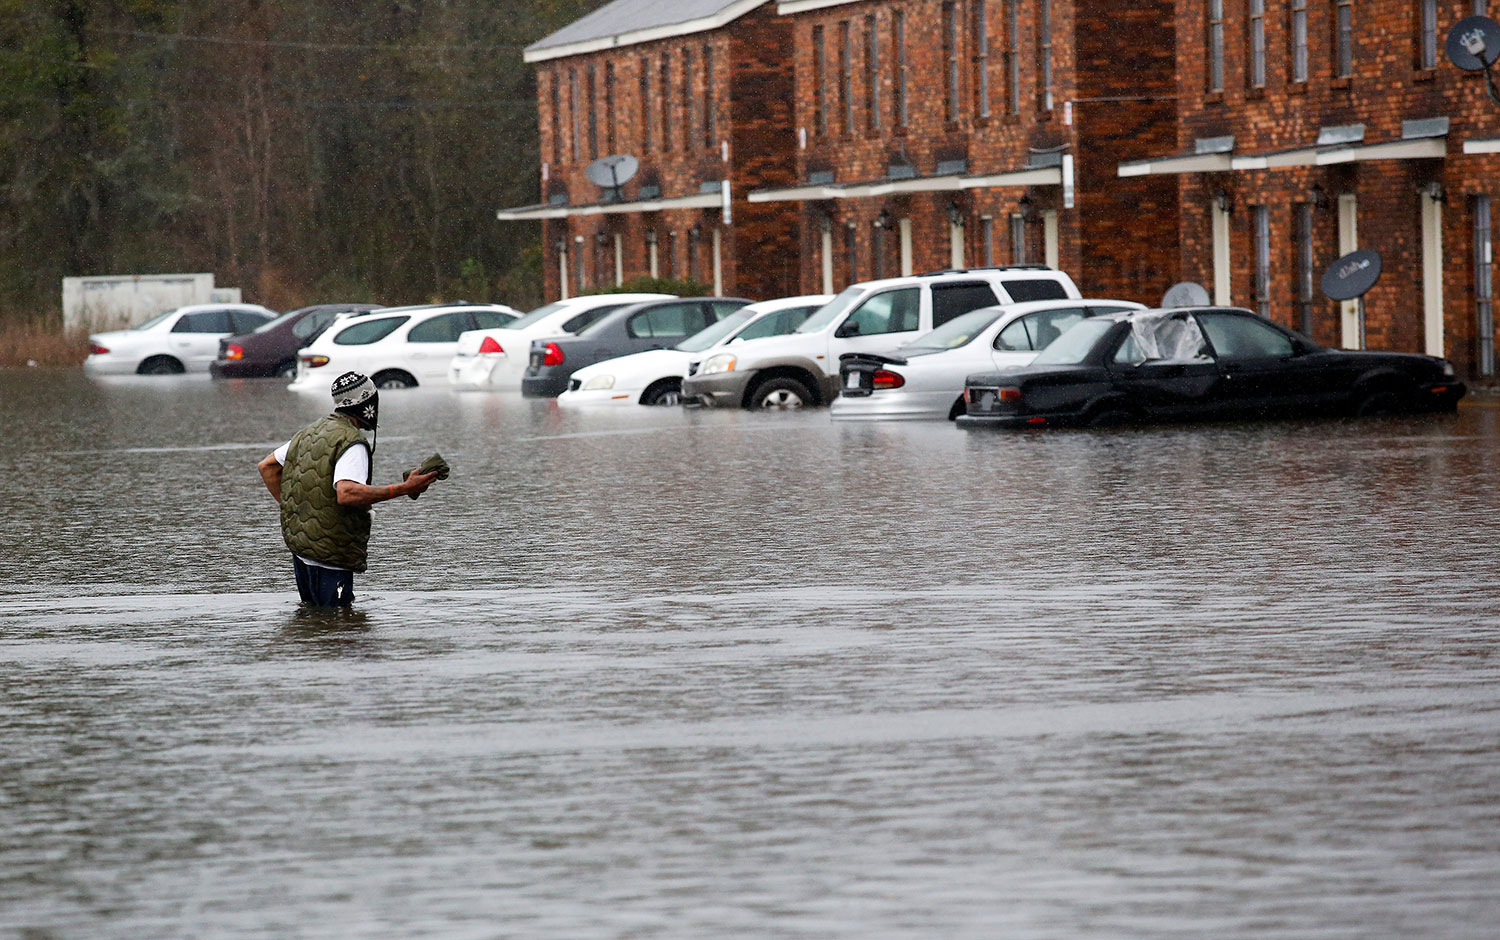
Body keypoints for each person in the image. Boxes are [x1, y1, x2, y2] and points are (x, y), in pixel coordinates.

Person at [257, 371, 438, 607]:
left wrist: (300, 512)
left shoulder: (309, 432)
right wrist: (403, 488)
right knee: (340, 628)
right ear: (367, 404)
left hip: (302, 549)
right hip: (331, 555)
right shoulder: (351, 442)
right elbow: (347, 493)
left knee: (316, 624)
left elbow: (267, 467)